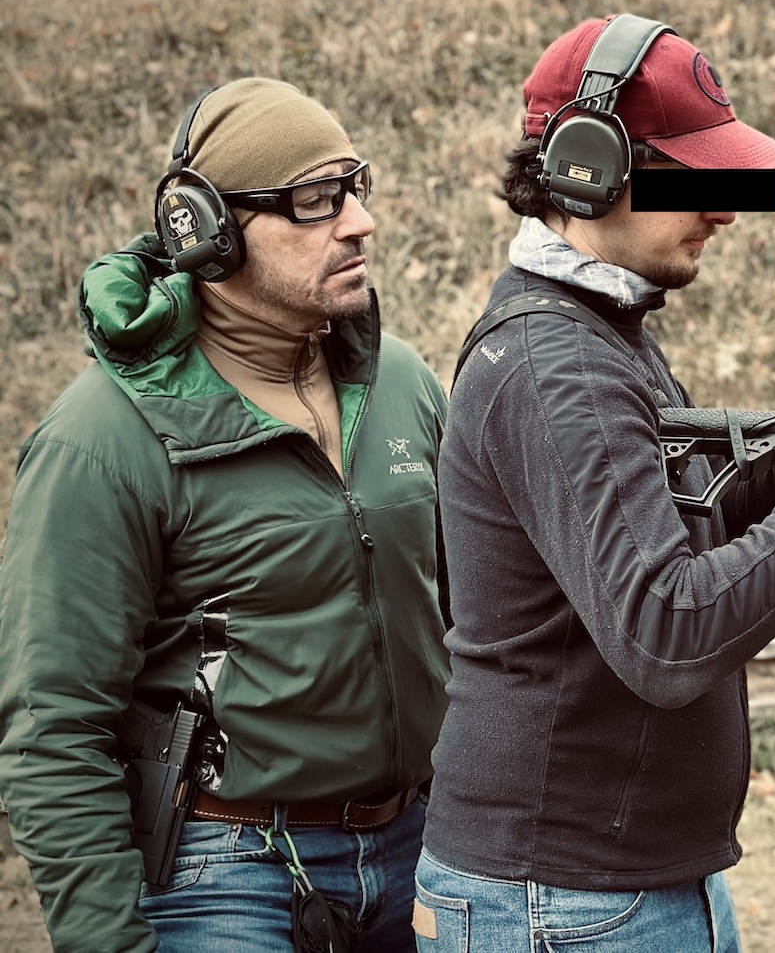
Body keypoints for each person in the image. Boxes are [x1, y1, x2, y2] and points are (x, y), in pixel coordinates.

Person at [418, 14, 775, 951]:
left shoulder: (596, 332)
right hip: (563, 904)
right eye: (699, 178)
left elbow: (659, 535)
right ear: (587, 166)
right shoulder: (557, 363)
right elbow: (666, 627)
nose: (728, 208)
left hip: (607, 888)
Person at [0, 78, 451, 953]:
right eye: (315, 201)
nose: (359, 222)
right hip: (229, 866)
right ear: (203, 231)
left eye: (357, 187)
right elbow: (53, 728)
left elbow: (475, 616)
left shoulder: (402, 381)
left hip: (424, 845)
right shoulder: (102, 437)